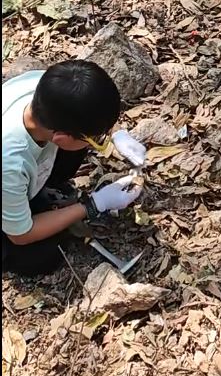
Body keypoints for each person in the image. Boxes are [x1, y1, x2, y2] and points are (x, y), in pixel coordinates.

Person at [2, 61, 146, 277]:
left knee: (77, 147)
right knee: (43, 255)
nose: (100, 142)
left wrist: (116, 134)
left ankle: (38, 197)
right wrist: (94, 205)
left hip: (18, 175)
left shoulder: (45, 86)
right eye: (97, 138)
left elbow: (86, 107)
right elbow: (21, 234)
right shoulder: (10, 164)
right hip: (9, 192)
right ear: (60, 137)